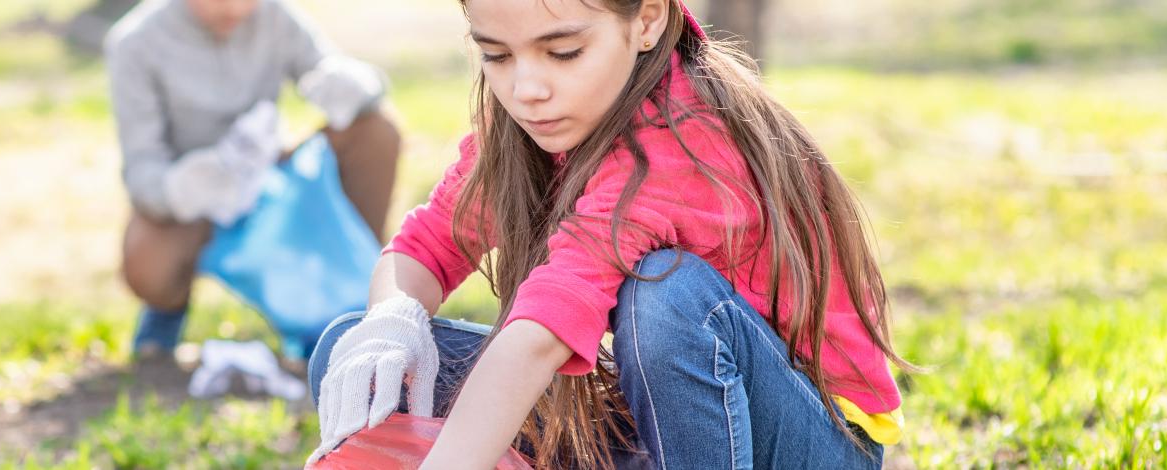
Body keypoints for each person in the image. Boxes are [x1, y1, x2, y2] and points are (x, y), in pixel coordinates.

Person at [308, 0, 910, 468]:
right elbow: (423, 248)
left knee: (668, 300)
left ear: (647, 19)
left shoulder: (683, 141)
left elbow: (541, 333)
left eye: (563, 52)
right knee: (355, 356)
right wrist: (392, 320)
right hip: (668, 424)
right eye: (497, 55)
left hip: (813, 439)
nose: (527, 88)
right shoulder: (534, 126)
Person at [105, 0, 403, 361]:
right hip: (195, 197)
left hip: (268, 176)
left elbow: (326, 64)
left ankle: (354, 287)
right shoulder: (135, 42)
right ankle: (166, 312)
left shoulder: (273, 15)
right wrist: (179, 189)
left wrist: (352, 86)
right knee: (149, 266)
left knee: (375, 131)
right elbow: (142, 168)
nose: (234, 10)